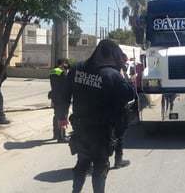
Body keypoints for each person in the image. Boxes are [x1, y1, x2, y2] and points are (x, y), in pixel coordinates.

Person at [56, 39, 135, 193]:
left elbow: (64, 93)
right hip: (102, 129)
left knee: (83, 161)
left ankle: (75, 191)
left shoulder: (78, 68)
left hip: (80, 126)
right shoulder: (112, 74)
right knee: (101, 165)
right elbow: (129, 94)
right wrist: (124, 75)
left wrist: (61, 116)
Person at [49, 58, 70, 142]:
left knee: (56, 115)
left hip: (55, 96)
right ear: (64, 63)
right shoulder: (62, 71)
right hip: (62, 97)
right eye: (66, 64)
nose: (67, 65)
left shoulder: (53, 71)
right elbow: (66, 85)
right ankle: (62, 137)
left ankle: (56, 134)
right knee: (63, 116)